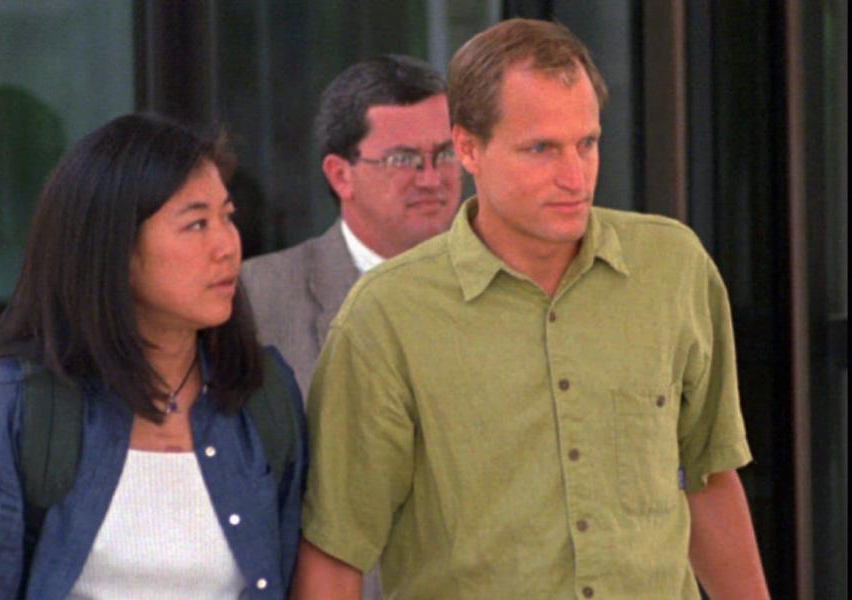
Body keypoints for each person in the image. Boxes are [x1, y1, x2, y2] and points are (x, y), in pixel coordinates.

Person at [293, 19, 769, 600]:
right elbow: (337, 546)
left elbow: (708, 477)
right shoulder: (388, 316)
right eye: (541, 148)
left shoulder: (672, 268)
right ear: (468, 147)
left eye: (586, 143)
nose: (575, 176)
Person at [0, 113, 306, 599]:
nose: (227, 246)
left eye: (227, 217)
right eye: (195, 224)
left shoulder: (263, 395)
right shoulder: (18, 404)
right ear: (115, 248)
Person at [241, 55, 462, 397]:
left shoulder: (501, 283)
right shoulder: (258, 295)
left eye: (446, 154)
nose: (431, 179)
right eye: (403, 159)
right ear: (340, 175)